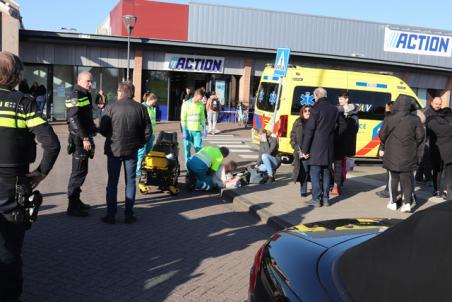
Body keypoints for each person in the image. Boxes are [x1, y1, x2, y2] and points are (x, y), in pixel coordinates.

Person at [0, 51, 60, 302]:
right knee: (9, 251)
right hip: (11, 186)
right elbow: (52, 144)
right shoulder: (23, 103)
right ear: (15, 75)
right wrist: (40, 174)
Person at [99, 82, 151, 224]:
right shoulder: (141, 108)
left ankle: (111, 215)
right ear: (132, 93)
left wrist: (111, 137)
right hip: (132, 150)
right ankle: (129, 215)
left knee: (112, 183)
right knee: (130, 182)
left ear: (121, 92)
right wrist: (139, 144)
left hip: (114, 150)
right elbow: (148, 131)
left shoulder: (110, 107)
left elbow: (102, 129)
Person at [301, 87, 346, 207]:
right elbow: (343, 125)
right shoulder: (334, 109)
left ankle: (316, 199)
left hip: (316, 147)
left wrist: (304, 150)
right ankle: (326, 198)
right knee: (326, 172)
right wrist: (334, 136)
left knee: (314, 172)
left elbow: (309, 131)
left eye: (314, 97)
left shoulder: (315, 109)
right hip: (329, 146)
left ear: (316, 96)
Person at [379, 94, 425, 213]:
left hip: (392, 153)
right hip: (409, 153)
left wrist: (385, 145)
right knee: (406, 179)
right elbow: (420, 137)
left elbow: (382, 135)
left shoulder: (389, 118)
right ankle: (407, 204)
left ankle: (393, 202)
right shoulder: (415, 119)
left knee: (393, 178)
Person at [66, 71, 97, 217]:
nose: (90, 84)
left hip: (85, 138)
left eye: (91, 81)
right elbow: (73, 118)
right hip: (79, 140)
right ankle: (72, 206)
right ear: (79, 80)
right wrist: (84, 138)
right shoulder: (75, 94)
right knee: (77, 172)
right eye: (88, 81)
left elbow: (85, 117)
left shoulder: (85, 93)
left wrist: (94, 129)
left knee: (83, 171)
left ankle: (77, 201)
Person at [331, 92, 359, 195]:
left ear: (347, 99)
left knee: (342, 163)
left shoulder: (354, 113)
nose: (339, 101)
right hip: (335, 140)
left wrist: (344, 127)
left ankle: (339, 183)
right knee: (336, 163)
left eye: (341, 99)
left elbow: (355, 128)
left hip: (346, 141)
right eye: (339, 99)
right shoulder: (336, 110)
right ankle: (336, 183)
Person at [426, 107, 452, 200]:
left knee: (437, 171)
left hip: (436, 150)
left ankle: (436, 190)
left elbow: (426, 135)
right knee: (449, 173)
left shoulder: (432, 122)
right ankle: (447, 191)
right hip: (450, 152)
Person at [425, 97, 445, 199]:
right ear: (432, 103)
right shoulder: (427, 113)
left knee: (439, 169)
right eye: (436, 104)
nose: (438, 106)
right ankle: (435, 188)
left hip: (442, 146)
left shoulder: (443, 112)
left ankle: (438, 189)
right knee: (433, 168)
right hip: (430, 145)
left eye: (440, 104)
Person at [180, 88, 207, 164]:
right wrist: (184, 130)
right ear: (197, 95)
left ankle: (198, 166)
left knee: (199, 149)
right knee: (187, 149)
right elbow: (183, 118)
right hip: (188, 130)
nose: (202, 99)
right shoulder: (186, 104)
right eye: (201, 97)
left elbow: (202, 117)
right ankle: (188, 166)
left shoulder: (201, 104)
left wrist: (204, 127)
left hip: (197, 131)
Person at [290, 105, 311, 198]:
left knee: (314, 173)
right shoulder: (298, 122)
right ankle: (303, 190)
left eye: (309, 110)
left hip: (312, 152)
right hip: (300, 151)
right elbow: (292, 137)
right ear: (302, 112)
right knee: (304, 172)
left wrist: (309, 152)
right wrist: (299, 151)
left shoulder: (314, 122)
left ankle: (317, 191)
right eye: (305, 111)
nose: (307, 112)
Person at [375, 100, 394, 198]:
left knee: (389, 170)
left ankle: (388, 190)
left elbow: (384, 134)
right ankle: (389, 189)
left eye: (386, 107)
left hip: (388, 147)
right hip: (394, 147)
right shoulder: (396, 117)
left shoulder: (388, 117)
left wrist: (382, 148)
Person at [136, 92, 158, 176]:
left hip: (151, 135)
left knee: (149, 153)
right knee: (141, 153)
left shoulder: (151, 108)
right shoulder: (142, 107)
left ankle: (146, 167)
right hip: (144, 135)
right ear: (150, 99)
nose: (154, 103)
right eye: (154, 101)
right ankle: (137, 170)